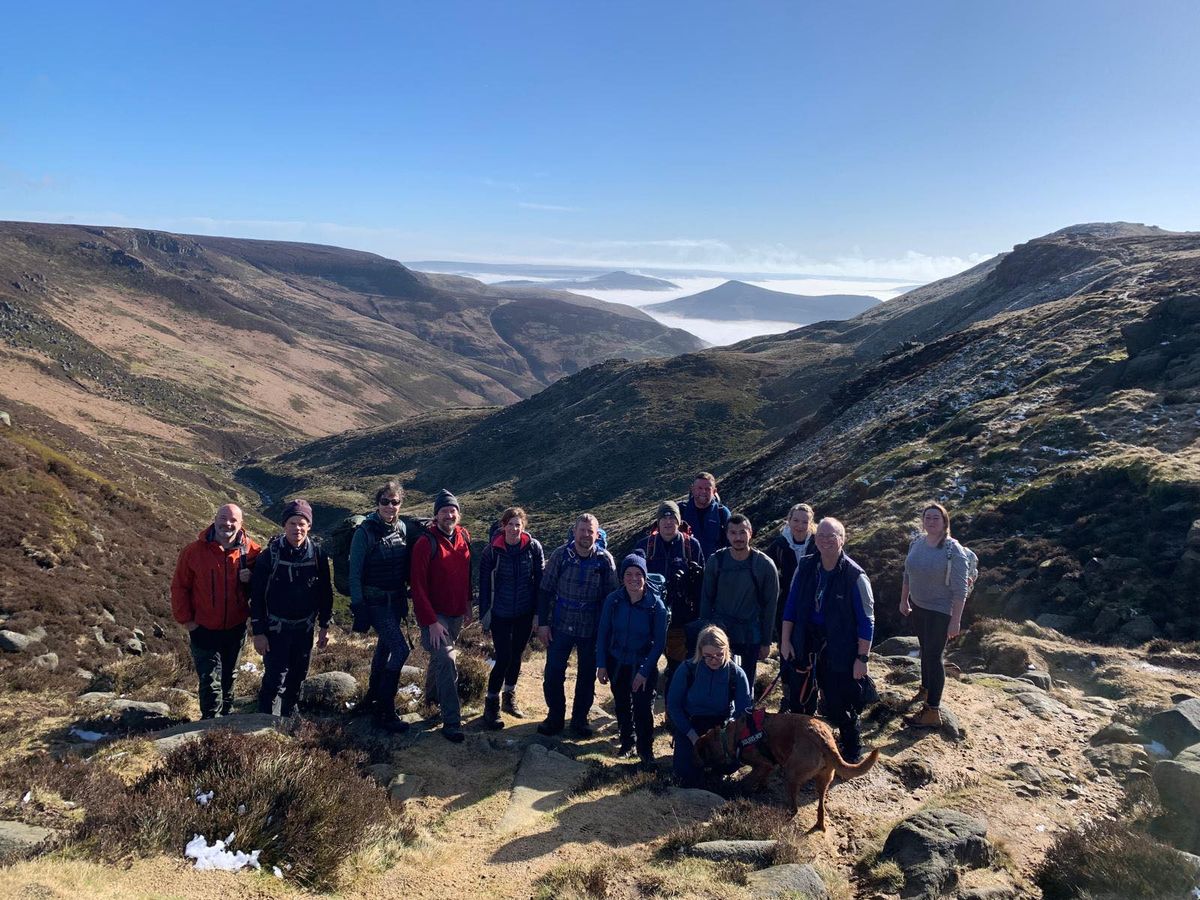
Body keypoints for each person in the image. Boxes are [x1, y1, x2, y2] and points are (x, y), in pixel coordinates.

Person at [780, 517, 874, 762]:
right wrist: (785, 641)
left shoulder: (855, 576)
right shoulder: (806, 566)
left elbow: (867, 621)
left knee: (838, 700)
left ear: (842, 540)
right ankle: (802, 749)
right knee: (800, 699)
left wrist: (862, 658)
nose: (824, 541)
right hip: (805, 642)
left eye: (831, 536)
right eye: (820, 536)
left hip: (840, 648)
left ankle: (851, 751)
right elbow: (790, 606)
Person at [171, 503, 261, 719]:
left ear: (241, 525)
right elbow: (180, 586)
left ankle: (227, 717)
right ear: (215, 519)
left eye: (233, 520)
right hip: (203, 627)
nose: (227, 524)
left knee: (230, 675)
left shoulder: (252, 551)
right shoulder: (193, 551)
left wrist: (251, 580)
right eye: (223, 518)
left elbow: (263, 590)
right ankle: (210, 722)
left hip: (235, 627)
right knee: (209, 679)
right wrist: (187, 621)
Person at [250, 499, 333, 718]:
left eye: (302, 523)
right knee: (275, 677)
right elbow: (257, 596)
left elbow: (326, 593)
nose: (297, 528)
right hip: (276, 629)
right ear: (284, 525)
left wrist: (324, 626)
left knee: (298, 675)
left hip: (304, 628)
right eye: (292, 523)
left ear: (309, 526)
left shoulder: (318, 555)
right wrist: (258, 633)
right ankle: (263, 720)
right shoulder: (270, 555)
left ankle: (289, 716)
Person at [537, 513, 618, 737]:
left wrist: (607, 631)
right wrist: (542, 624)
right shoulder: (560, 555)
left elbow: (611, 598)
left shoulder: (604, 560)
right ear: (574, 532)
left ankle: (580, 720)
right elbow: (545, 591)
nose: (585, 535)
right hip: (560, 625)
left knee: (585, 676)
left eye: (590, 531)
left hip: (590, 629)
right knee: (553, 673)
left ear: (596, 534)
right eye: (582, 530)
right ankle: (554, 717)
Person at [900, 502, 970, 729]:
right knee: (925, 650)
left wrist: (955, 620)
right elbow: (908, 573)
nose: (930, 522)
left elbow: (960, 590)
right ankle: (926, 688)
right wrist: (904, 599)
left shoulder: (953, 550)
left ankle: (932, 711)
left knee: (933, 656)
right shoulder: (917, 543)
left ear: (944, 522)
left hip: (941, 611)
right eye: (927, 517)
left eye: (935, 518)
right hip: (919, 607)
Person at [410, 489, 472, 743]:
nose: (449, 514)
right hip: (435, 615)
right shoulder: (426, 543)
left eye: (453, 510)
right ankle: (451, 720)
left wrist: (468, 604)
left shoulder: (463, 536)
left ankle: (431, 699)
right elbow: (417, 586)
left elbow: (466, 574)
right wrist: (431, 622)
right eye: (444, 510)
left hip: (457, 612)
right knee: (447, 659)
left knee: (439, 660)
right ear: (436, 515)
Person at [596, 552, 668, 770]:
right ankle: (627, 742)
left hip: (642, 665)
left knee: (643, 708)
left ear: (645, 577)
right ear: (622, 576)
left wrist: (644, 672)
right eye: (629, 574)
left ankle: (646, 750)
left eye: (638, 574)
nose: (633, 578)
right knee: (622, 705)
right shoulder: (614, 600)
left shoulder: (656, 606)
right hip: (617, 662)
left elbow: (658, 644)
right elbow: (603, 633)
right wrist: (601, 664)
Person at [349, 481, 411, 734]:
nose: (389, 506)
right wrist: (358, 606)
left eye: (394, 501)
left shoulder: (402, 527)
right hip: (375, 603)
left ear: (400, 504)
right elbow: (355, 573)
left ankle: (372, 699)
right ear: (377, 503)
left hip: (395, 601)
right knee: (401, 650)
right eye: (385, 501)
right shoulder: (364, 533)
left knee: (384, 649)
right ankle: (385, 710)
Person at [477, 507, 545, 729]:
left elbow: (540, 583)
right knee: (504, 657)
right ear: (503, 526)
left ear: (523, 527)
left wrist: (538, 614)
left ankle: (509, 696)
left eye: (518, 525)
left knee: (517, 656)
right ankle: (491, 703)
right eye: (510, 524)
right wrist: (484, 616)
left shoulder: (533, 548)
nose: (514, 529)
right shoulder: (492, 551)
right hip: (500, 613)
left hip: (524, 612)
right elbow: (485, 585)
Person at [699, 514, 780, 691]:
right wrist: (704, 638)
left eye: (742, 532)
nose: (738, 537)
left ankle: (744, 718)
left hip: (749, 637)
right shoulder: (716, 561)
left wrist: (766, 642)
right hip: (719, 637)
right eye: (733, 533)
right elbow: (705, 600)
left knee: (744, 686)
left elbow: (770, 606)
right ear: (726, 534)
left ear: (750, 533)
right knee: (718, 686)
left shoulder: (764, 565)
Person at [666, 625, 752, 787]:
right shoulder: (687, 670)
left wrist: (725, 735)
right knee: (685, 776)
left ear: (726, 650)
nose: (714, 660)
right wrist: (690, 734)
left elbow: (743, 711)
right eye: (708, 656)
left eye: (719, 655)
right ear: (700, 652)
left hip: (721, 727)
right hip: (691, 724)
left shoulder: (736, 674)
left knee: (726, 767)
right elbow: (673, 705)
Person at [635, 500, 704, 697]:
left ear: (679, 521)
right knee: (644, 665)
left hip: (680, 621)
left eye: (672, 517)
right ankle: (642, 710)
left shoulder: (691, 546)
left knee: (677, 668)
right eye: (663, 517)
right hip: (648, 618)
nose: (667, 521)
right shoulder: (644, 546)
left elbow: (702, 584)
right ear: (657, 522)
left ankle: (672, 716)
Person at [680, 472, 731, 559]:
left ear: (714, 491)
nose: (703, 492)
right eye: (699, 488)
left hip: (714, 568)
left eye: (708, 489)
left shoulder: (722, 513)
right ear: (692, 489)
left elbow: (731, 543)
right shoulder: (681, 511)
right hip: (686, 567)